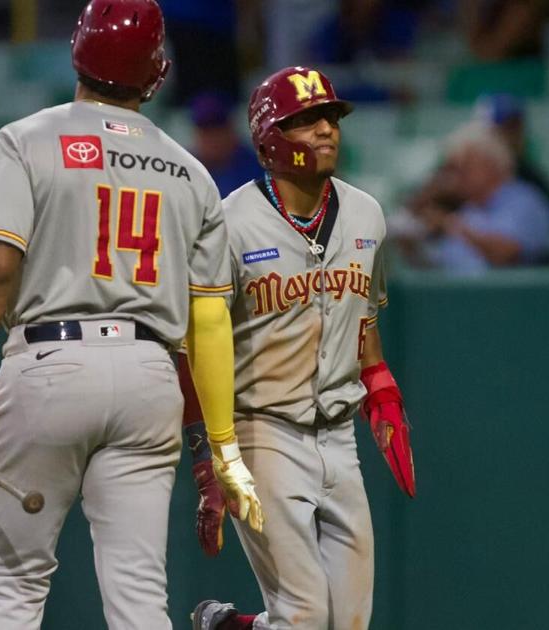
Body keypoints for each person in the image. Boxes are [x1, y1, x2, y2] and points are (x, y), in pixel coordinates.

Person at [0, 1, 263, 626]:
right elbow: (207, 324)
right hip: (151, 375)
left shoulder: (27, 139)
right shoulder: (192, 173)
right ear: (158, 73)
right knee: (139, 592)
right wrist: (219, 446)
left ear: (77, 50)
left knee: (15, 585)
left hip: (51, 359)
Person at [190, 65, 415, 630]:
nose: (326, 130)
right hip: (262, 431)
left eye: (331, 117)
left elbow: (363, 317)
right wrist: (209, 457)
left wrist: (382, 390)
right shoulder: (229, 223)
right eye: (307, 119)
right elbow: (193, 345)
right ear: (270, 135)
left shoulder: (366, 214)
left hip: (339, 435)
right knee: (307, 617)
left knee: (350, 622)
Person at [420, 122, 549, 273]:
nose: (456, 178)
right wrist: (410, 248)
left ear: (491, 164)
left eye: (465, 167)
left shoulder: (526, 202)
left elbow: (505, 256)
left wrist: (451, 225)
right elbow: (443, 267)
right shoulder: (468, 209)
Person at [474, 93, 549, 206]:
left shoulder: (535, 182)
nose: (512, 137)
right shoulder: (462, 178)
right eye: (504, 129)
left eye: (516, 128)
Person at [190, 92, 261, 198]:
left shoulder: (256, 169)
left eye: (218, 129)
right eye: (206, 131)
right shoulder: (187, 169)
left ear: (231, 129)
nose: (213, 139)